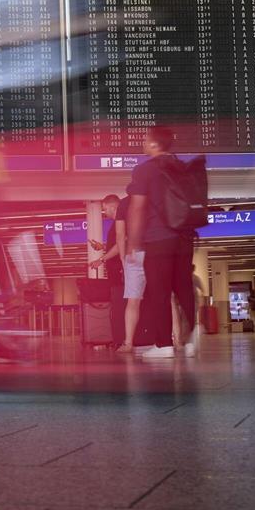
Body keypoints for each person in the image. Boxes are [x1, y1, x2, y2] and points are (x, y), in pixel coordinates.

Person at [126, 126, 198, 359]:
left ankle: (164, 344)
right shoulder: (181, 166)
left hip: (158, 238)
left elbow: (137, 207)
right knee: (184, 286)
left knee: (159, 290)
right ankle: (190, 340)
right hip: (185, 236)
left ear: (155, 144)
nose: (143, 143)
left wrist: (134, 242)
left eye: (145, 139)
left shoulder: (144, 170)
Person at [90, 193, 142, 353]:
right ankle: (125, 340)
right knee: (128, 303)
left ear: (113, 206)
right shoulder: (119, 222)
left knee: (128, 303)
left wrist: (103, 259)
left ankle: (126, 341)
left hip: (127, 265)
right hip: (124, 266)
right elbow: (117, 244)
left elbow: (122, 241)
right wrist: (102, 248)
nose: (105, 213)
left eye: (105, 209)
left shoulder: (123, 220)